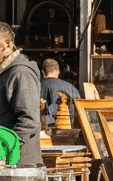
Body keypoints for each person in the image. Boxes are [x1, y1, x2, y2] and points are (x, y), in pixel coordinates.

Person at [0, 24, 42, 165]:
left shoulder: (20, 73)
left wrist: (7, 149)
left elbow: (29, 120)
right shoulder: (5, 71)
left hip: (18, 163)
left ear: (10, 45)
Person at [38, 59, 80, 125]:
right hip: (68, 127)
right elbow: (78, 111)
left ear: (43, 72)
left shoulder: (37, 86)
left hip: (45, 128)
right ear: (58, 71)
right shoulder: (71, 88)